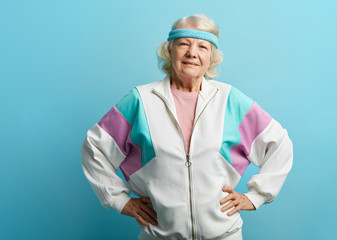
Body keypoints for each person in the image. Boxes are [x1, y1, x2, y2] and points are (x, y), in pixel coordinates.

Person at [81, 14, 293, 240]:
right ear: (170, 51)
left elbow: (279, 144)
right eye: (184, 44)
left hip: (224, 235)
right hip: (159, 235)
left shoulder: (230, 101)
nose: (192, 53)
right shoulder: (140, 101)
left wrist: (257, 196)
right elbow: (95, 147)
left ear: (211, 57)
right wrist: (120, 200)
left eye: (202, 46)